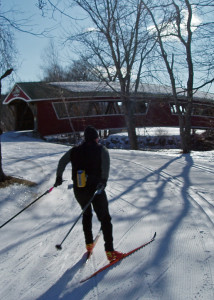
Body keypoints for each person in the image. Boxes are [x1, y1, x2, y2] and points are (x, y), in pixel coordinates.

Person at [54, 126, 123, 262]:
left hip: (79, 189)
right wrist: (103, 181)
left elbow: (62, 162)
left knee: (86, 214)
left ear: (85, 138)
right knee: (105, 219)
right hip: (96, 189)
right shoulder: (101, 150)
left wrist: (59, 177)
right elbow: (105, 168)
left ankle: (89, 244)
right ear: (96, 138)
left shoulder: (75, 150)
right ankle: (110, 252)